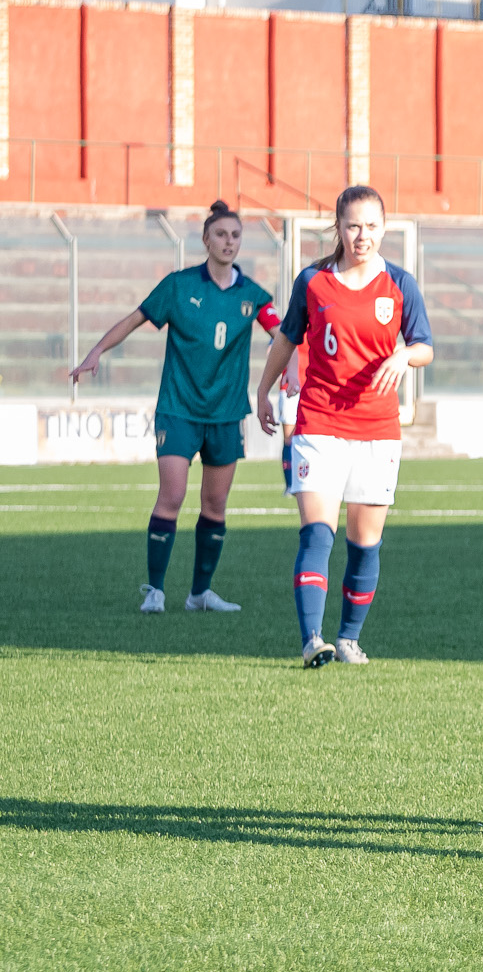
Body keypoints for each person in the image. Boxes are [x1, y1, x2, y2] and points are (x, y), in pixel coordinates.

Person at [253, 186, 434, 667]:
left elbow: (425, 346)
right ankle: (312, 639)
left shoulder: (400, 284)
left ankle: (349, 638)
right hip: (319, 423)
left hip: (377, 428)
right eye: (353, 226)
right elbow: (286, 338)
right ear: (338, 227)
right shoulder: (313, 281)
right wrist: (263, 390)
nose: (362, 236)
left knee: (365, 543)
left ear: (384, 228)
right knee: (317, 534)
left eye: (372, 226)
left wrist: (404, 355)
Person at [69, 200, 279, 615]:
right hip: (178, 409)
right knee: (173, 495)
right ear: (205, 239)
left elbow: (284, 335)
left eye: (235, 235)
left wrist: (285, 373)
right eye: (221, 234)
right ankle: (156, 591)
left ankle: (200, 593)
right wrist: (96, 352)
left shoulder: (254, 295)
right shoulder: (179, 286)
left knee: (215, 505)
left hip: (226, 414)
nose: (229, 242)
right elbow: (134, 319)